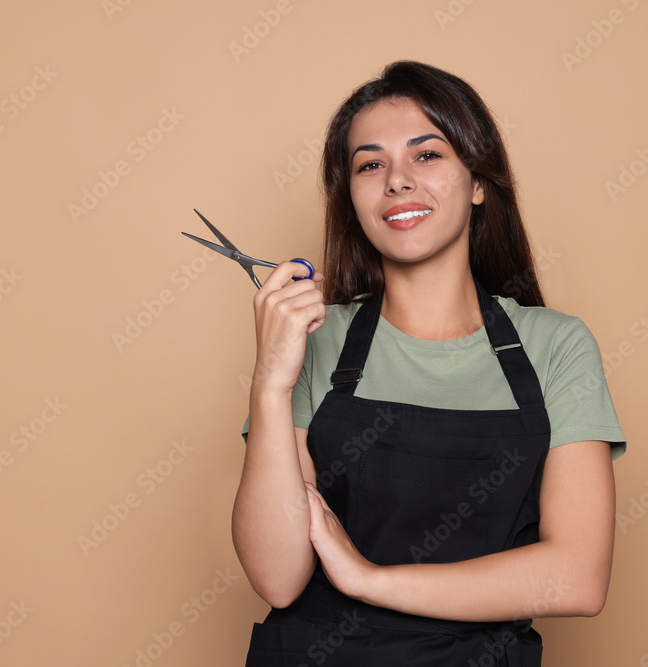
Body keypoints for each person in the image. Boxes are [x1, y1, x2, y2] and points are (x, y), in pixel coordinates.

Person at [234, 60, 626, 666]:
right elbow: (278, 577)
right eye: (370, 164)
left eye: (427, 155)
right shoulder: (316, 338)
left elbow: (576, 578)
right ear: (353, 200)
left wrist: (368, 579)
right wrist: (269, 384)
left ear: (477, 181)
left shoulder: (556, 346)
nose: (396, 181)